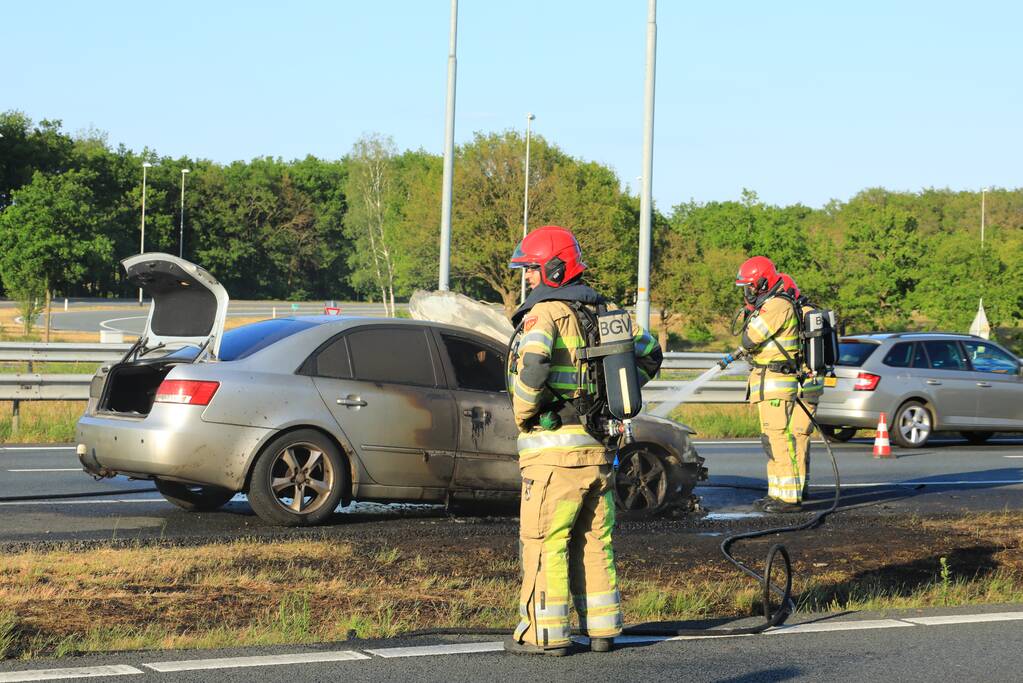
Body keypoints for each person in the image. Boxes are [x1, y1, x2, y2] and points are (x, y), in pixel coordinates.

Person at [504, 225, 661, 656]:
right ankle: (602, 630)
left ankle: (545, 634)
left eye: (532, 269)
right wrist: (615, 398)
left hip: (553, 452)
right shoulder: (609, 312)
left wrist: (522, 414)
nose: (528, 278)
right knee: (595, 540)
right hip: (600, 450)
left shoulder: (545, 313)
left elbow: (533, 368)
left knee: (544, 540)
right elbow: (649, 352)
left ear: (554, 268)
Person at [732, 257, 807, 513]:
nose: (748, 292)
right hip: (767, 382)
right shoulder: (770, 305)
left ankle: (789, 498)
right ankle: (777, 494)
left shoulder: (777, 305)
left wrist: (752, 314)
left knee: (779, 439)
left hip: (776, 382)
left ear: (763, 282)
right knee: (770, 440)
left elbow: (751, 337)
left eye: (750, 286)